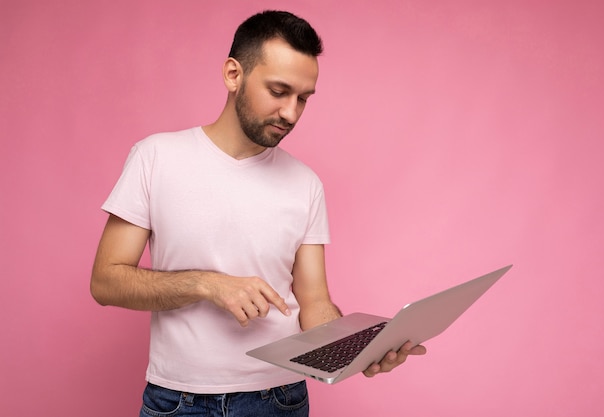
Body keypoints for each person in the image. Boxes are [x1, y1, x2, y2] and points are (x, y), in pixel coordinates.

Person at [91, 10, 426, 417]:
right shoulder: (155, 157)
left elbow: (314, 301)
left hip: (280, 399)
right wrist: (207, 284)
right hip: (178, 401)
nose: (291, 113)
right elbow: (106, 281)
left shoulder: (306, 184)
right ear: (234, 74)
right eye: (279, 91)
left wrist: (357, 349)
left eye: (303, 98)